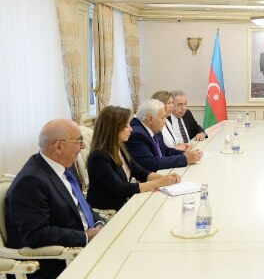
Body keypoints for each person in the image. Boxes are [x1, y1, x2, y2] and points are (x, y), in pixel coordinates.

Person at [5, 119, 104, 279]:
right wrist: (86, 237)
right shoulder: (31, 181)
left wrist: (98, 223)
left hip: (83, 249)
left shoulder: (63, 168)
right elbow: (35, 234)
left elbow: (81, 206)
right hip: (56, 264)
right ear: (59, 146)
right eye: (79, 141)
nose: (83, 146)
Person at [86, 106, 182, 211]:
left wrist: (165, 178)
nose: (131, 129)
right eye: (127, 126)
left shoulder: (119, 148)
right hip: (107, 211)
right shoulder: (99, 157)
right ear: (114, 128)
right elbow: (122, 189)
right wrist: (159, 182)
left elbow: (140, 172)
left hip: (123, 204)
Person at [125, 99, 203, 171]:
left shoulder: (154, 128)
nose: (165, 121)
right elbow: (150, 163)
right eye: (162, 118)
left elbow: (165, 151)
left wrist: (185, 154)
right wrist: (184, 159)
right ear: (150, 119)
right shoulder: (136, 134)